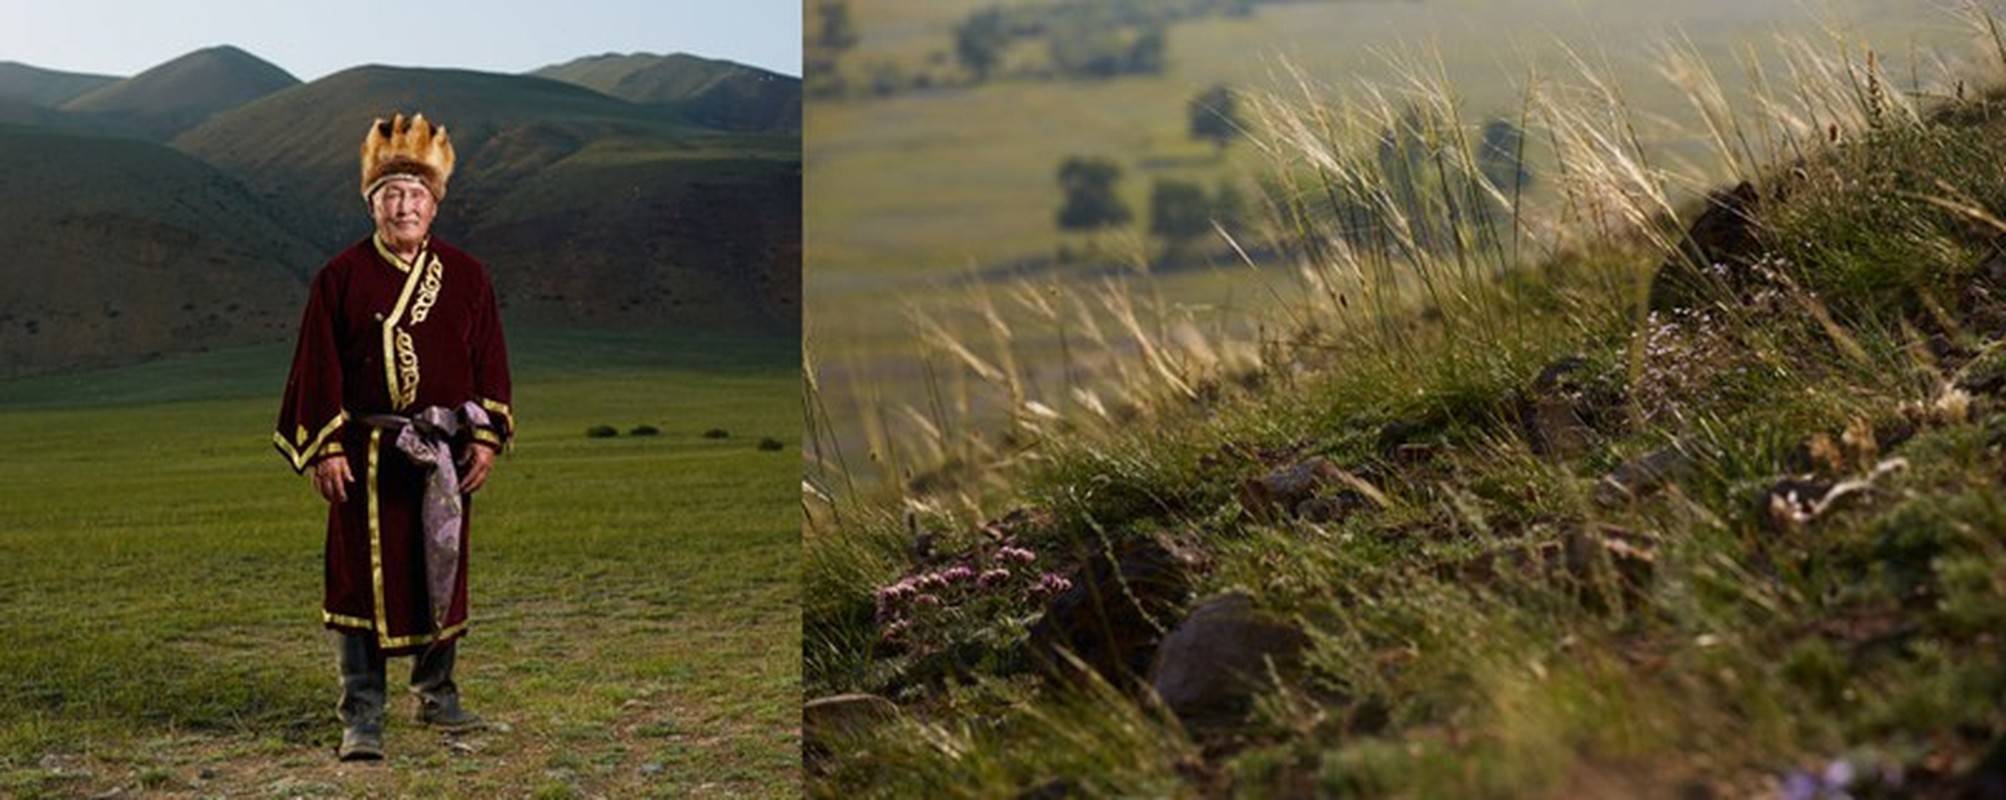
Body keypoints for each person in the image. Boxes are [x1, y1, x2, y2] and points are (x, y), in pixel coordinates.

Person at [273, 111, 514, 762]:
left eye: (415, 195)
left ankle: (440, 698)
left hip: (442, 456)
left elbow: (490, 360)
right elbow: (315, 366)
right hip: (365, 457)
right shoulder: (340, 278)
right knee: (358, 582)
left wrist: (486, 436)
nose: (403, 206)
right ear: (372, 204)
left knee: (441, 570)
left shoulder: (468, 276)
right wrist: (323, 445)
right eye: (391, 196)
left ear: (434, 205)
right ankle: (362, 715)